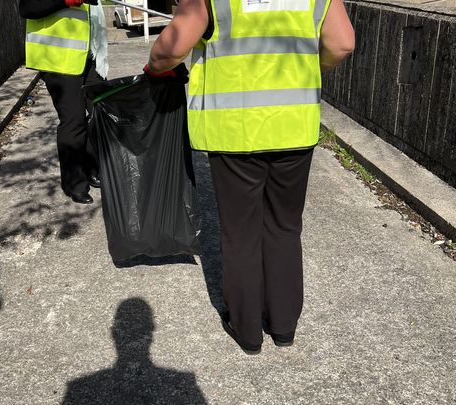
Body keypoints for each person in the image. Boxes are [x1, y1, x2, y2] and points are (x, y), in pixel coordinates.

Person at [146, 0, 355, 353]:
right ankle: (284, 326)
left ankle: (247, 331)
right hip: (293, 123)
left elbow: (172, 48)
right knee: (285, 226)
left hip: (235, 130)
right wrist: (305, 69)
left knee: (241, 233)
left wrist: (154, 67)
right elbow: (341, 43)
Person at [19, 0, 109, 204]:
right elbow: (27, 8)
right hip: (57, 59)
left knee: (100, 112)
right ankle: (74, 183)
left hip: (89, 55)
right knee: (74, 120)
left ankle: (92, 168)